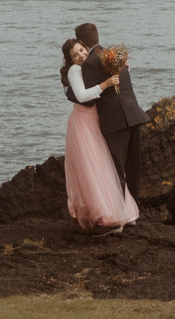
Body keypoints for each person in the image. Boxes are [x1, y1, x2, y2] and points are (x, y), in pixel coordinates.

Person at [60, 38, 138, 230]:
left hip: (95, 120)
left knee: (106, 167)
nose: (81, 55)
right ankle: (102, 212)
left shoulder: (91, 66)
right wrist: (105, 84)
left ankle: (122, 211)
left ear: (86, 47)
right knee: (93, 168)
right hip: (83, 123)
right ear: (69, 59)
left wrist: (123, 66)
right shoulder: (75, 70)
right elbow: (82, 96)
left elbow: (115, 76)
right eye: (75, 55)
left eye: (81, 50)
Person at [74, 20, 146, 205]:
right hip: (133, 113)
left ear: (81, 42)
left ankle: (119, 212)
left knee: (116, 169)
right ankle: (133, 213)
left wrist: (72, 95)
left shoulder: (90, 62)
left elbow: (89, 99)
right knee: (133, 168)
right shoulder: (115, 55)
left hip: (115, 120)